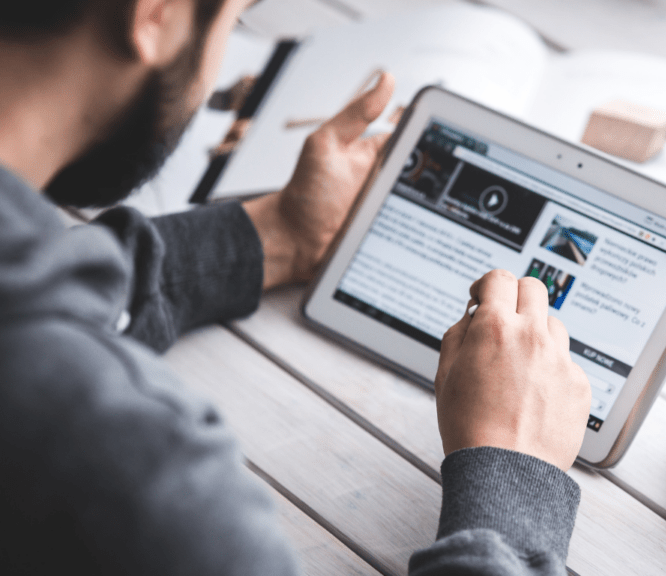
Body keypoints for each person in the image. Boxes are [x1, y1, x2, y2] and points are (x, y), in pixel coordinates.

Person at [0, 0, 593, 574]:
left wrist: (274, 235)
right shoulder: (143, 476)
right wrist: (512, 480)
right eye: (238, 18)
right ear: (155, 13)